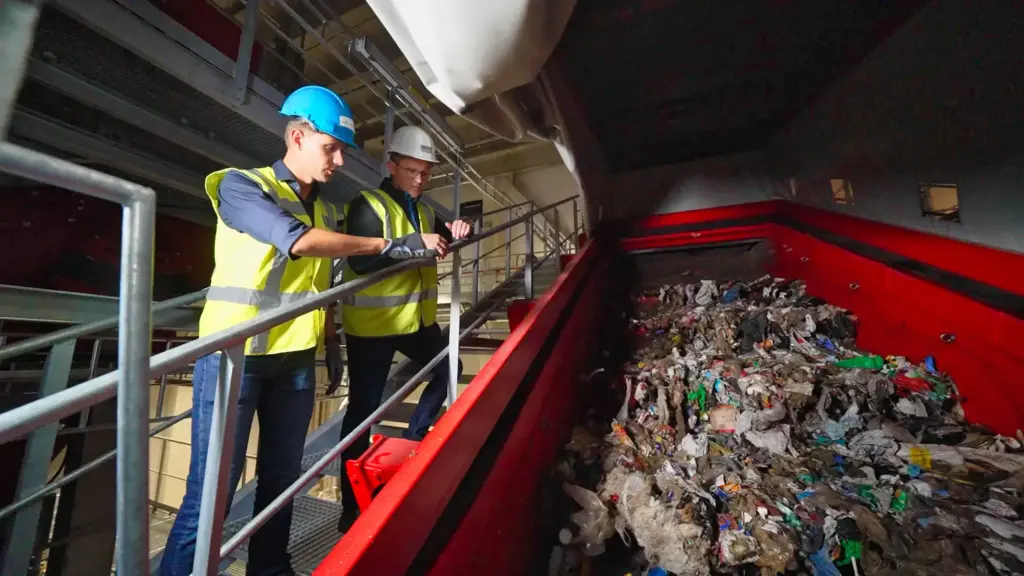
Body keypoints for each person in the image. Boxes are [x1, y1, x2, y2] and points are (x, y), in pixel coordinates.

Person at [159, 86, 441, 576]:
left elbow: (315, 286)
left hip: (295, 361)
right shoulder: (243, 187)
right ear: (296, 136)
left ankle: (271, 568)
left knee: (283, 481)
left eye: (342, 151)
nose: (338, 160)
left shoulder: (326, 209)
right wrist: (395, 243)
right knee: (212, 494)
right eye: (330, 147)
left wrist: (329, 342)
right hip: (234, 359)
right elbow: (299, 244)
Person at [335, 125, 473, 531]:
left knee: (451, 367)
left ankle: (415, 437)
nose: (419, 180)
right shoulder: (368, 205)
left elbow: (441, 235)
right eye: (412, 171)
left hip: (413, 322)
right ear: (391, 166)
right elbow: (360, 262)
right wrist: (416, 243)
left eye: (426, 173)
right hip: (372, 328)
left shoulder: (426, 210)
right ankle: (350, 508)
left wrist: (460, 229)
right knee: (362, 415)